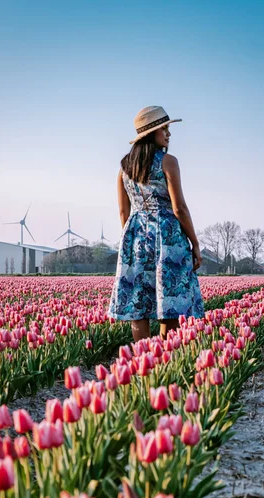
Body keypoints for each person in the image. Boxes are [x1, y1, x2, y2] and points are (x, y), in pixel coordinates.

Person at [108, 105, 204, 342]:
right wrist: (195, 242)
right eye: (165, 129)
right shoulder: (168, 162)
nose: (169, 134)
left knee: (138, 300)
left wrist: (132, 240)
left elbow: (123, 210)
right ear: (152, 133)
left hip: (135, 235)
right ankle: (164, 359)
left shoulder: (124, 168)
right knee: (169, 299)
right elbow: (179, 207)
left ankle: (142, 358)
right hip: (167, 235)